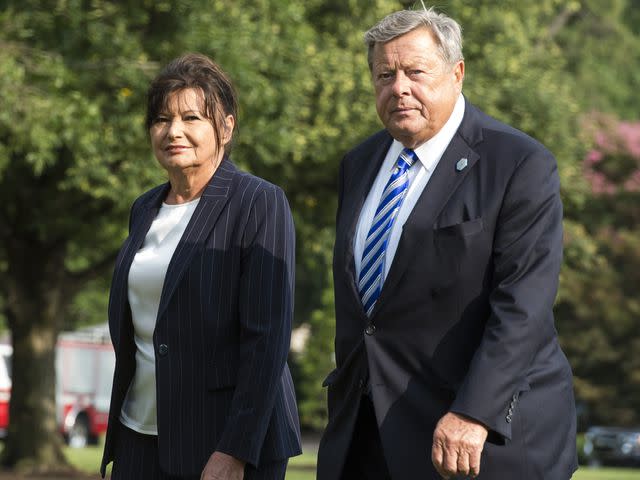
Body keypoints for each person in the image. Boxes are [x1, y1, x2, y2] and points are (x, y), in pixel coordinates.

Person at [317, 8, 577, 480]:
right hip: (367, 436)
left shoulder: (519, 163)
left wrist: (476, 412)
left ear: (456, 73)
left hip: (477, 441)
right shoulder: (359, 163)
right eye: (384, 74)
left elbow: (523, 306)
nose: (399, 87)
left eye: (416, 72)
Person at [100, 53, 301, 480]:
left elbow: (267, 342)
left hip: (225, 441)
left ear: (225, 127)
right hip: (139, 432)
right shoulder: (143, 209)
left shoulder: (259, 203)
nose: (174, 131)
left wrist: (234, 449)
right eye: (161, 119)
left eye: (191, 117)